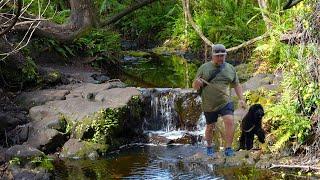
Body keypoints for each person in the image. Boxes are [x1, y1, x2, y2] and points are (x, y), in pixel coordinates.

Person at [192, 44, 246, 157]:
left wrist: (241, 99)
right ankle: (209, 147)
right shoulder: (204, 68)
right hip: (209, 104)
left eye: (223, 56)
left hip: (225, 102)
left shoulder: (230, 68)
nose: (221, 58)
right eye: (218, 56)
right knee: (210, 126)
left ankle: (228, 148)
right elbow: (195, 86)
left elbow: (236, 84)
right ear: (213, 55)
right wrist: (197, 84)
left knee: (230, 121)